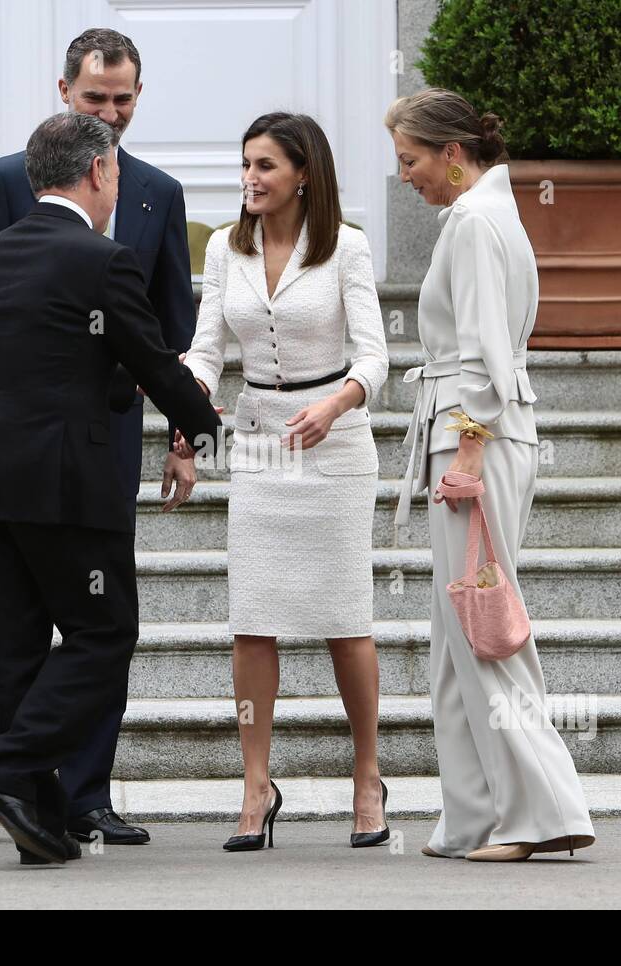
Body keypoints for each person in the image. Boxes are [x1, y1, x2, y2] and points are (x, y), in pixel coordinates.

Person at [0, 111, 223, 866]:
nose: (118, 186)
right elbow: (156, 360)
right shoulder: (103, 260)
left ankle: (39, 821)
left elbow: (36, 356)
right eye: (117, 176)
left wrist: (115, 383)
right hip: (64, 482)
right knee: (103, 635)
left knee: (14, 649)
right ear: (97, 172)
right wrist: (203, 427)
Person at [385, 89, 596, 861]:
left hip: (473, 438)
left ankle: (539, 813)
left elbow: (481, 352)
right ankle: (476, 812)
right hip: (475, 435)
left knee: (482, 633)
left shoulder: (474, 221)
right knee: (454, 639)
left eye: (409, 159)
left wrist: (467, 454)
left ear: (451, 153)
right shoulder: (485, 216)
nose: (403, 175)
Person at [180, 112, 391, 851]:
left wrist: (334, 405)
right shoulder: (222, 247)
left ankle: (368, 776)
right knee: (252, 618)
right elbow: (206, 349)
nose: (250, 179)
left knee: (346, 619)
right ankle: (255, 784)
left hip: (335, 445)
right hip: (260, 440)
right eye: (245, 164)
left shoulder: (347, 250)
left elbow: (375, 359)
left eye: (265, 166)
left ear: (304, 174)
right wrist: (188, 399)